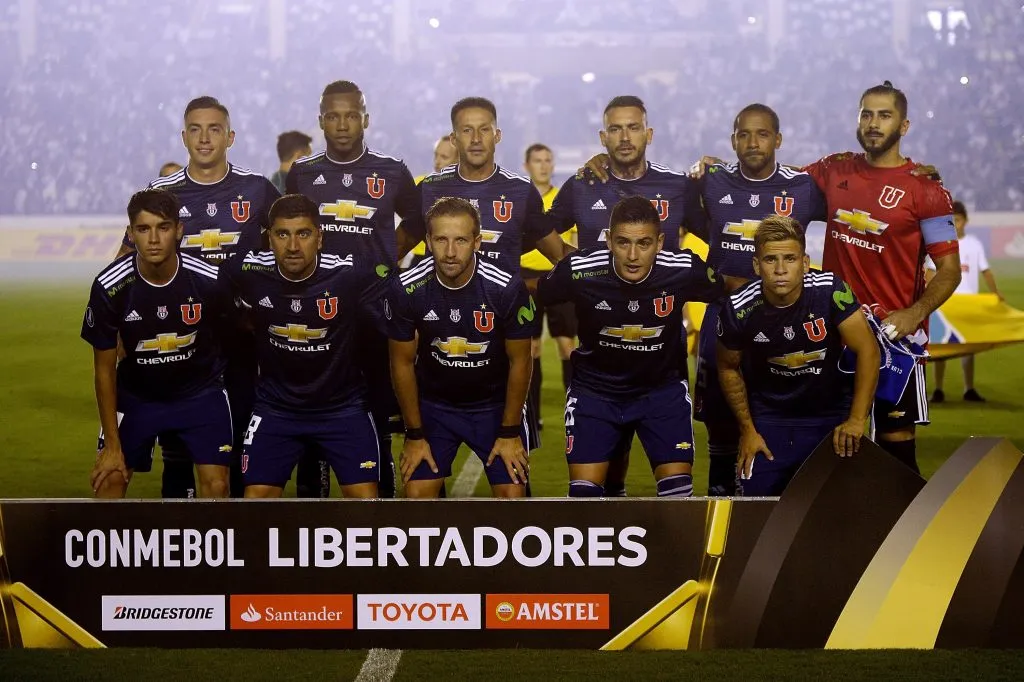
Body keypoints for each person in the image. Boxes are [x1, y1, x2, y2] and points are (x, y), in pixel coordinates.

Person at [122, 96, 280, 500]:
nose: (204, 138)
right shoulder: (162, 192)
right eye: (195, 129)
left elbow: (285, 248)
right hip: (182, 337)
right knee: (178, 446)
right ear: (184, 137)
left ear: (230, 137)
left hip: (241, 336)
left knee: (238, 438)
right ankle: (182, 527)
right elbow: (127, 260)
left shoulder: (257, 189)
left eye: (214, 129)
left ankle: (237, 529)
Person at [800, 82, 961, 473]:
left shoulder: (926, 190)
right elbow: (776, 187)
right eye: (866, 114)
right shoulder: (833, 169)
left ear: (903, 126)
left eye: (884, 115)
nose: (873, 123)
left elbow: (950, 271)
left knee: (897, 452)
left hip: (895, 340)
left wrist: (913, 313)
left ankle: (907, 516)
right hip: (834, 334)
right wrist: (717, 171)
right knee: (830, 445)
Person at [550, 95, 705, 496]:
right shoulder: (582, 185)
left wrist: (718, 169)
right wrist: (574, 266)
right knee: (605, 482)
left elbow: (717, 233)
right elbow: (540, 228)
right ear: (603, 137)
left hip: (661, 362)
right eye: (615, 129)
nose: (624, 137)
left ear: (648, 134)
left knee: (675, 492)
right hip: (600, 359)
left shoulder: (676, 186)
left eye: (633, 127)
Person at [286, 80, 427, 499]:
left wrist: (388, 254)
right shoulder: (303, 173)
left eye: (351, 115)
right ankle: (312, 503)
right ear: (321, 121)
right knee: (312, 404)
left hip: (374, 309)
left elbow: (418, 220)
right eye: (333, 116)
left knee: (375, 407)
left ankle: (379, 499)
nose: (343, 124)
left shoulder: (391, 170)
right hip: (316, 308)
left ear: (365, 119)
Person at [419, 98, 573, 469]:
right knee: (425, 476)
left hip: (501, 347)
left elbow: (559, 254)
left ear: (497, 135)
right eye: (466, 130)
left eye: (484, 129)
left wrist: (610, 267)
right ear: (454, 138)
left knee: (512, 472)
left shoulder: (519, 190)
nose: (476, 138)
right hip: (438, 341)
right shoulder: (429, 188)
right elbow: (395, 246)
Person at [538, 196, 724, 497]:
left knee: (678, 498)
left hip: (661, 392)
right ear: (609, 241)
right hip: (595, 392)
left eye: (644, 243)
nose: (633, 255)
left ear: (660, 243)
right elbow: (531, 296)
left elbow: (727, 292)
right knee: (584, 497)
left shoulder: (684, 269)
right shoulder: (580, 269)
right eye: (623, 242)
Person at [691, 104, 828, 496]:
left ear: (778, 140)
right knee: (720, 418)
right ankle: (720, 496)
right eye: (744, 134)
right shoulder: (710, 181)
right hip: (723, 317)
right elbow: (666, 202)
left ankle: (774, 499)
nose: (753, 142)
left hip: (782, 321)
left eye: (762, 134)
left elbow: (856, 211)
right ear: (733, 140)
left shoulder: (803, 188)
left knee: (779, 413)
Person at [222, 194, 384, 499]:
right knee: (255, 502)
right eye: (282, 234)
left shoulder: (350, 271)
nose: (293, 246)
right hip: (277, 408)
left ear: (319, 238)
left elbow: (393, 294)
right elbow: (219, 292)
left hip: (343, 408)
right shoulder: (247, 269)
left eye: (304, 234)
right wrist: (242, 318)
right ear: (269, 239)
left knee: (365, 503)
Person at [82, 188, 233, 499]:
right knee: (109, 480)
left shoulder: (209, 280)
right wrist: (112, 446)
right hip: (137, 397)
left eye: (163, 227)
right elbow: (104, 371)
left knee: (217, 486)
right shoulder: (110, 287)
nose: (153, 239)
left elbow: (235, 333)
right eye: (143, 229)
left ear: (178, 230)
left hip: (199, 394)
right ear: (130, 233)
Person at [716, 216, 880, 496]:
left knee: (841, 508)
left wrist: (855, 420)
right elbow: (728, 367)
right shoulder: (738, 307)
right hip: (769, 420)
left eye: (790, 259)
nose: (780, 270)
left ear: (804, 263)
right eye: (770, 260)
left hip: (830, 417)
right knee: (755, 510)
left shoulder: (831, 291)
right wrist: (748, 431)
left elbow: (868, 350)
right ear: (756, 265)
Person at [388, 197, 537, 498]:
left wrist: (509, 433)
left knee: (512, 498)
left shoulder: (506, 287)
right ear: (428, 241)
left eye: (461, 240)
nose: (450, 252)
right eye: (441, 240)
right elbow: (401, 363)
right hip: (436, 406)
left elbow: (520, 361)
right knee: (415, 497)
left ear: (477, 242)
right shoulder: (406, 287)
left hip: (494, 406)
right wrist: (414, 435)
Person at [519, 143, 578, 429]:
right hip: (525, 279)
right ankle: (533, 416)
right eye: (537, 160)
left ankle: (575, 410)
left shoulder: (562, 201)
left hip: (559, 276)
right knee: (531, 349)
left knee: (568, 346)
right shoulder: (521, 199)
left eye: (547, 160)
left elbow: (573, 243)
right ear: (526, 166)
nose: (543, 165)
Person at [927, 201, 1003, 403]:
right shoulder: (941, 244)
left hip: (968, 304)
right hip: (945, 303)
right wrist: (926, 293)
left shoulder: (974, 244)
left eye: (958, 220)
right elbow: (930, 271)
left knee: (968, 348)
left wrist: (996, 293)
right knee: (943, 346)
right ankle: (938, 389)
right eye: (952, 220)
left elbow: (985, 270)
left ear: (966, 221)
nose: (955, 224)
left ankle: (969, 388)